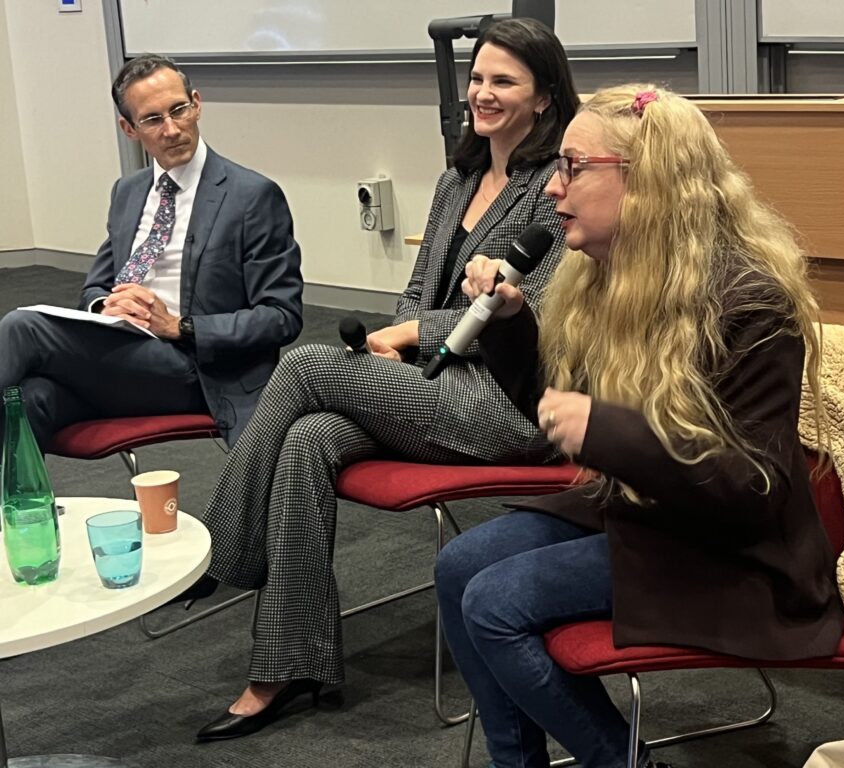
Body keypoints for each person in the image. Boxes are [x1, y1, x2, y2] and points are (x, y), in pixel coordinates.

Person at [435, 85, 844, 768]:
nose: (550, 190)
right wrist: (510, 330)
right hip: (645, 509)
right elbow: (555, 415)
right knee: (458, 568)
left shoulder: (750, 302)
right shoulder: (606, 277)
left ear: (644, 181)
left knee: (494, 603)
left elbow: (751, 487)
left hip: (730, 548)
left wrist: (605, 428)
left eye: (572, 167)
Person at [192, 18, 579, 742]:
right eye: (477, 79)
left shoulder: (552, 191)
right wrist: (401, 337)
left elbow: (542, 315)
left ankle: (219, 551)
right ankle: (287, 664)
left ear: (546, 99)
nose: (482, 94)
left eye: (504, 82)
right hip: (429, 385)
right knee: (309, 437)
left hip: (506, 402)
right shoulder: (455, 177)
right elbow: (413, 292)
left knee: (305, 363)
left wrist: (410, 334)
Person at [0, 54, 303, 450]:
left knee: (24, 327)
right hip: (124, 354)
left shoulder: (251, 196)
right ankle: (18, 511)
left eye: (179, 110)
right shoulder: (128, 192)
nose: (172, 129)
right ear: (129, 128)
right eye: (153, 119)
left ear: (197, 103)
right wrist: (106, 308)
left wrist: (179, 326)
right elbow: (96, 289)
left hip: (196, 369)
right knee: (30, 398)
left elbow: (281, 317)